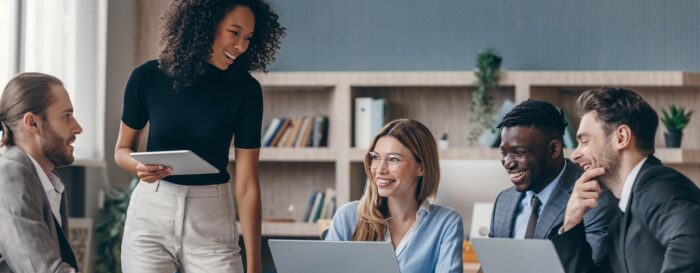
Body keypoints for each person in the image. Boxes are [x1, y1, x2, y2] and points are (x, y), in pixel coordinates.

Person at [114, 0, 284, 272]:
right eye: (234, 33)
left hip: (211, 216)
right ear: (206, 25)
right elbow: (122, 150)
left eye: (248, 38)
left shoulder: (246, 90)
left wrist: (254, 265)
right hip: (151, 215)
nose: (241, 46)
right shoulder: (147, 77)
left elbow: (248, 183)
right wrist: (140, 167)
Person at [552, 87, 700, 273]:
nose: (575, 155)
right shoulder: (621, 217)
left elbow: (691, 244)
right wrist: (571, 223)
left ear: (621, 137)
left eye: (585, 141)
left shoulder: (656, 182)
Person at [325, 119, 464, 273]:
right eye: (375, 157)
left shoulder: (446, 223)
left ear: (421, 167)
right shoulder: (347, 217)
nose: (380, 169)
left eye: (393, 159)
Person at [489, 99, 617, 264]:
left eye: (519, 152)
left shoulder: (592, 198)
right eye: (504, 153)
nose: (508, 162)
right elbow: (491, 264)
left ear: (554, 149)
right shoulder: (504, 201)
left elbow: (590, 268)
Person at [0, 72, 83, 272]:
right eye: (67, 116)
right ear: (32, 123)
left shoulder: (47, 181)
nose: (78, 128)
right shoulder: (10, 175)